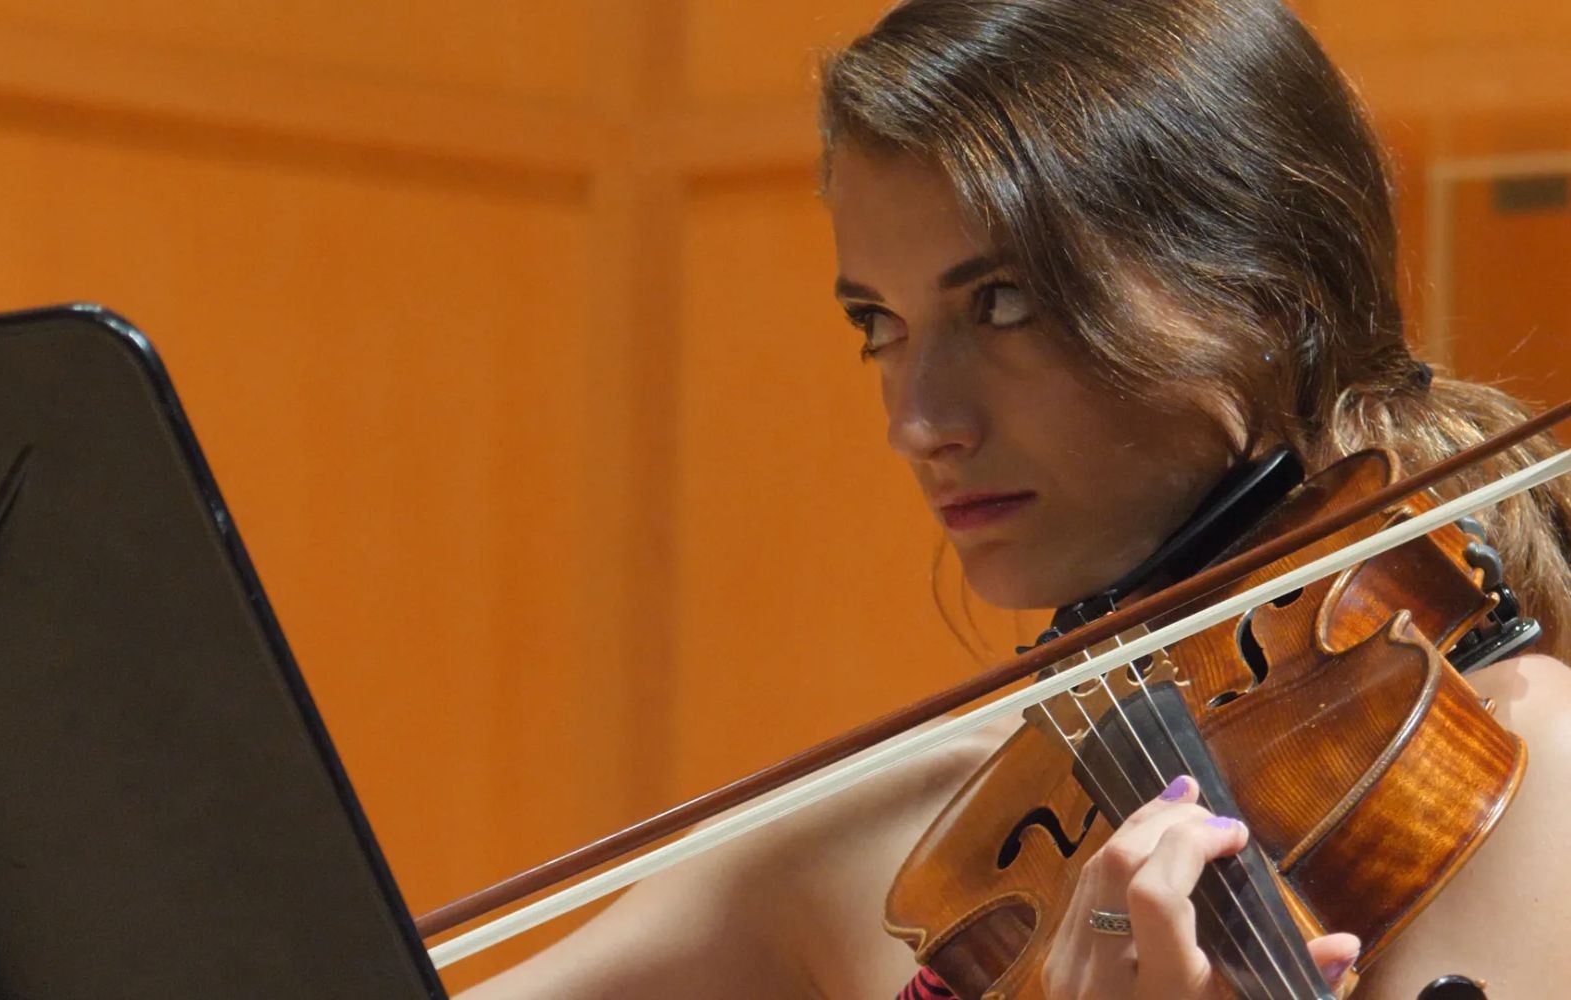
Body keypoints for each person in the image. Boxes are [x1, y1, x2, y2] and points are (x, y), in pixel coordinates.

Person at [462, 0, 1571, 996]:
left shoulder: (1529, 771)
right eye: (877, 325)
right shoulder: (914, 841)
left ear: (1264, 291)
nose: (919, 421)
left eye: (1000, 304)